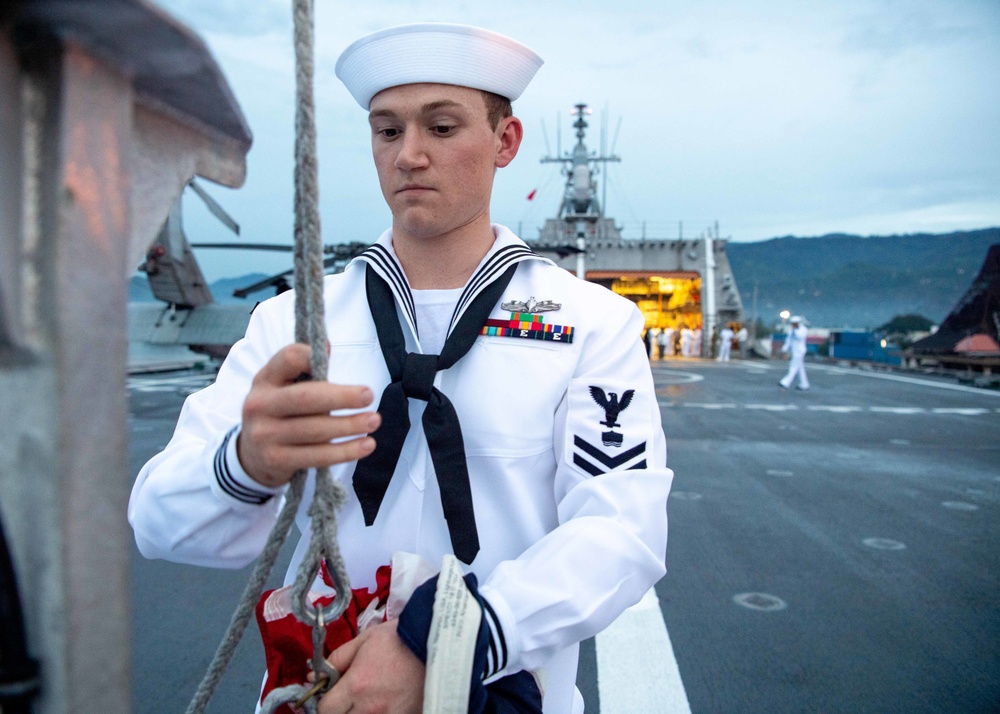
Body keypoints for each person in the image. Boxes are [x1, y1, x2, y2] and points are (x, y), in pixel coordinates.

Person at [128, 22, 673, 714]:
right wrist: (246, 464)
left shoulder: (591, 324)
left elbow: (621, 532)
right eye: (388, 132)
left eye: (442, 129)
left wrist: (447, 643)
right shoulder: (295, 325)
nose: (410, 155)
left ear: (506, 142)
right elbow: (157, 522)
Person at [779, 315, 810, 390]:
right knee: (800, 368)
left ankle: (785, 382)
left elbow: (800, 337)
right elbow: (788, 341)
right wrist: (784, 350)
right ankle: (804, 384)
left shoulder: (803, 330)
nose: (793, 325)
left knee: (793, 366)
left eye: (795, 323)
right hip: (794, 350)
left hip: (800, 351)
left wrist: (795, 330)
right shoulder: (791, 330)